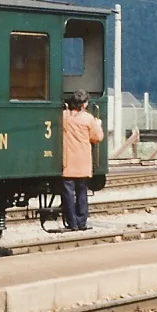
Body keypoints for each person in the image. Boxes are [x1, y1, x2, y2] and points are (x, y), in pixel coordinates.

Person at [62, 89, 104, 231]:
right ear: (85, 104)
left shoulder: (64, 117)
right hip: (83, 161)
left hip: (67, 162)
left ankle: (71, 223)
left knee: (68, 194)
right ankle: (82, 222)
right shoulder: (88, 119)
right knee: (81, 192)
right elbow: (98, 137)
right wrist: (98, 124)